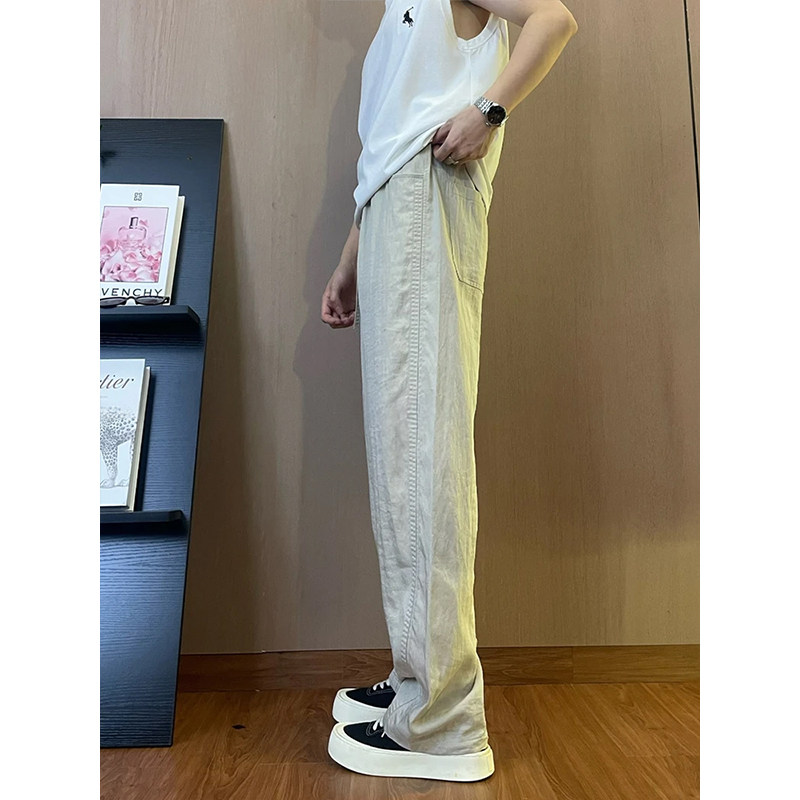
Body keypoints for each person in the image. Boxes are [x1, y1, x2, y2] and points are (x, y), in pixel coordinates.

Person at [320, 0, 578, 782]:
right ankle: (417, 679)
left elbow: (554, 19)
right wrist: (351, 256)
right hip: (395, 209)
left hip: (425, 202)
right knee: (404, 456)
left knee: (420, 453)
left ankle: (443, 720)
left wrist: (489, 110)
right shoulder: (397, 18)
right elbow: (392, 138)